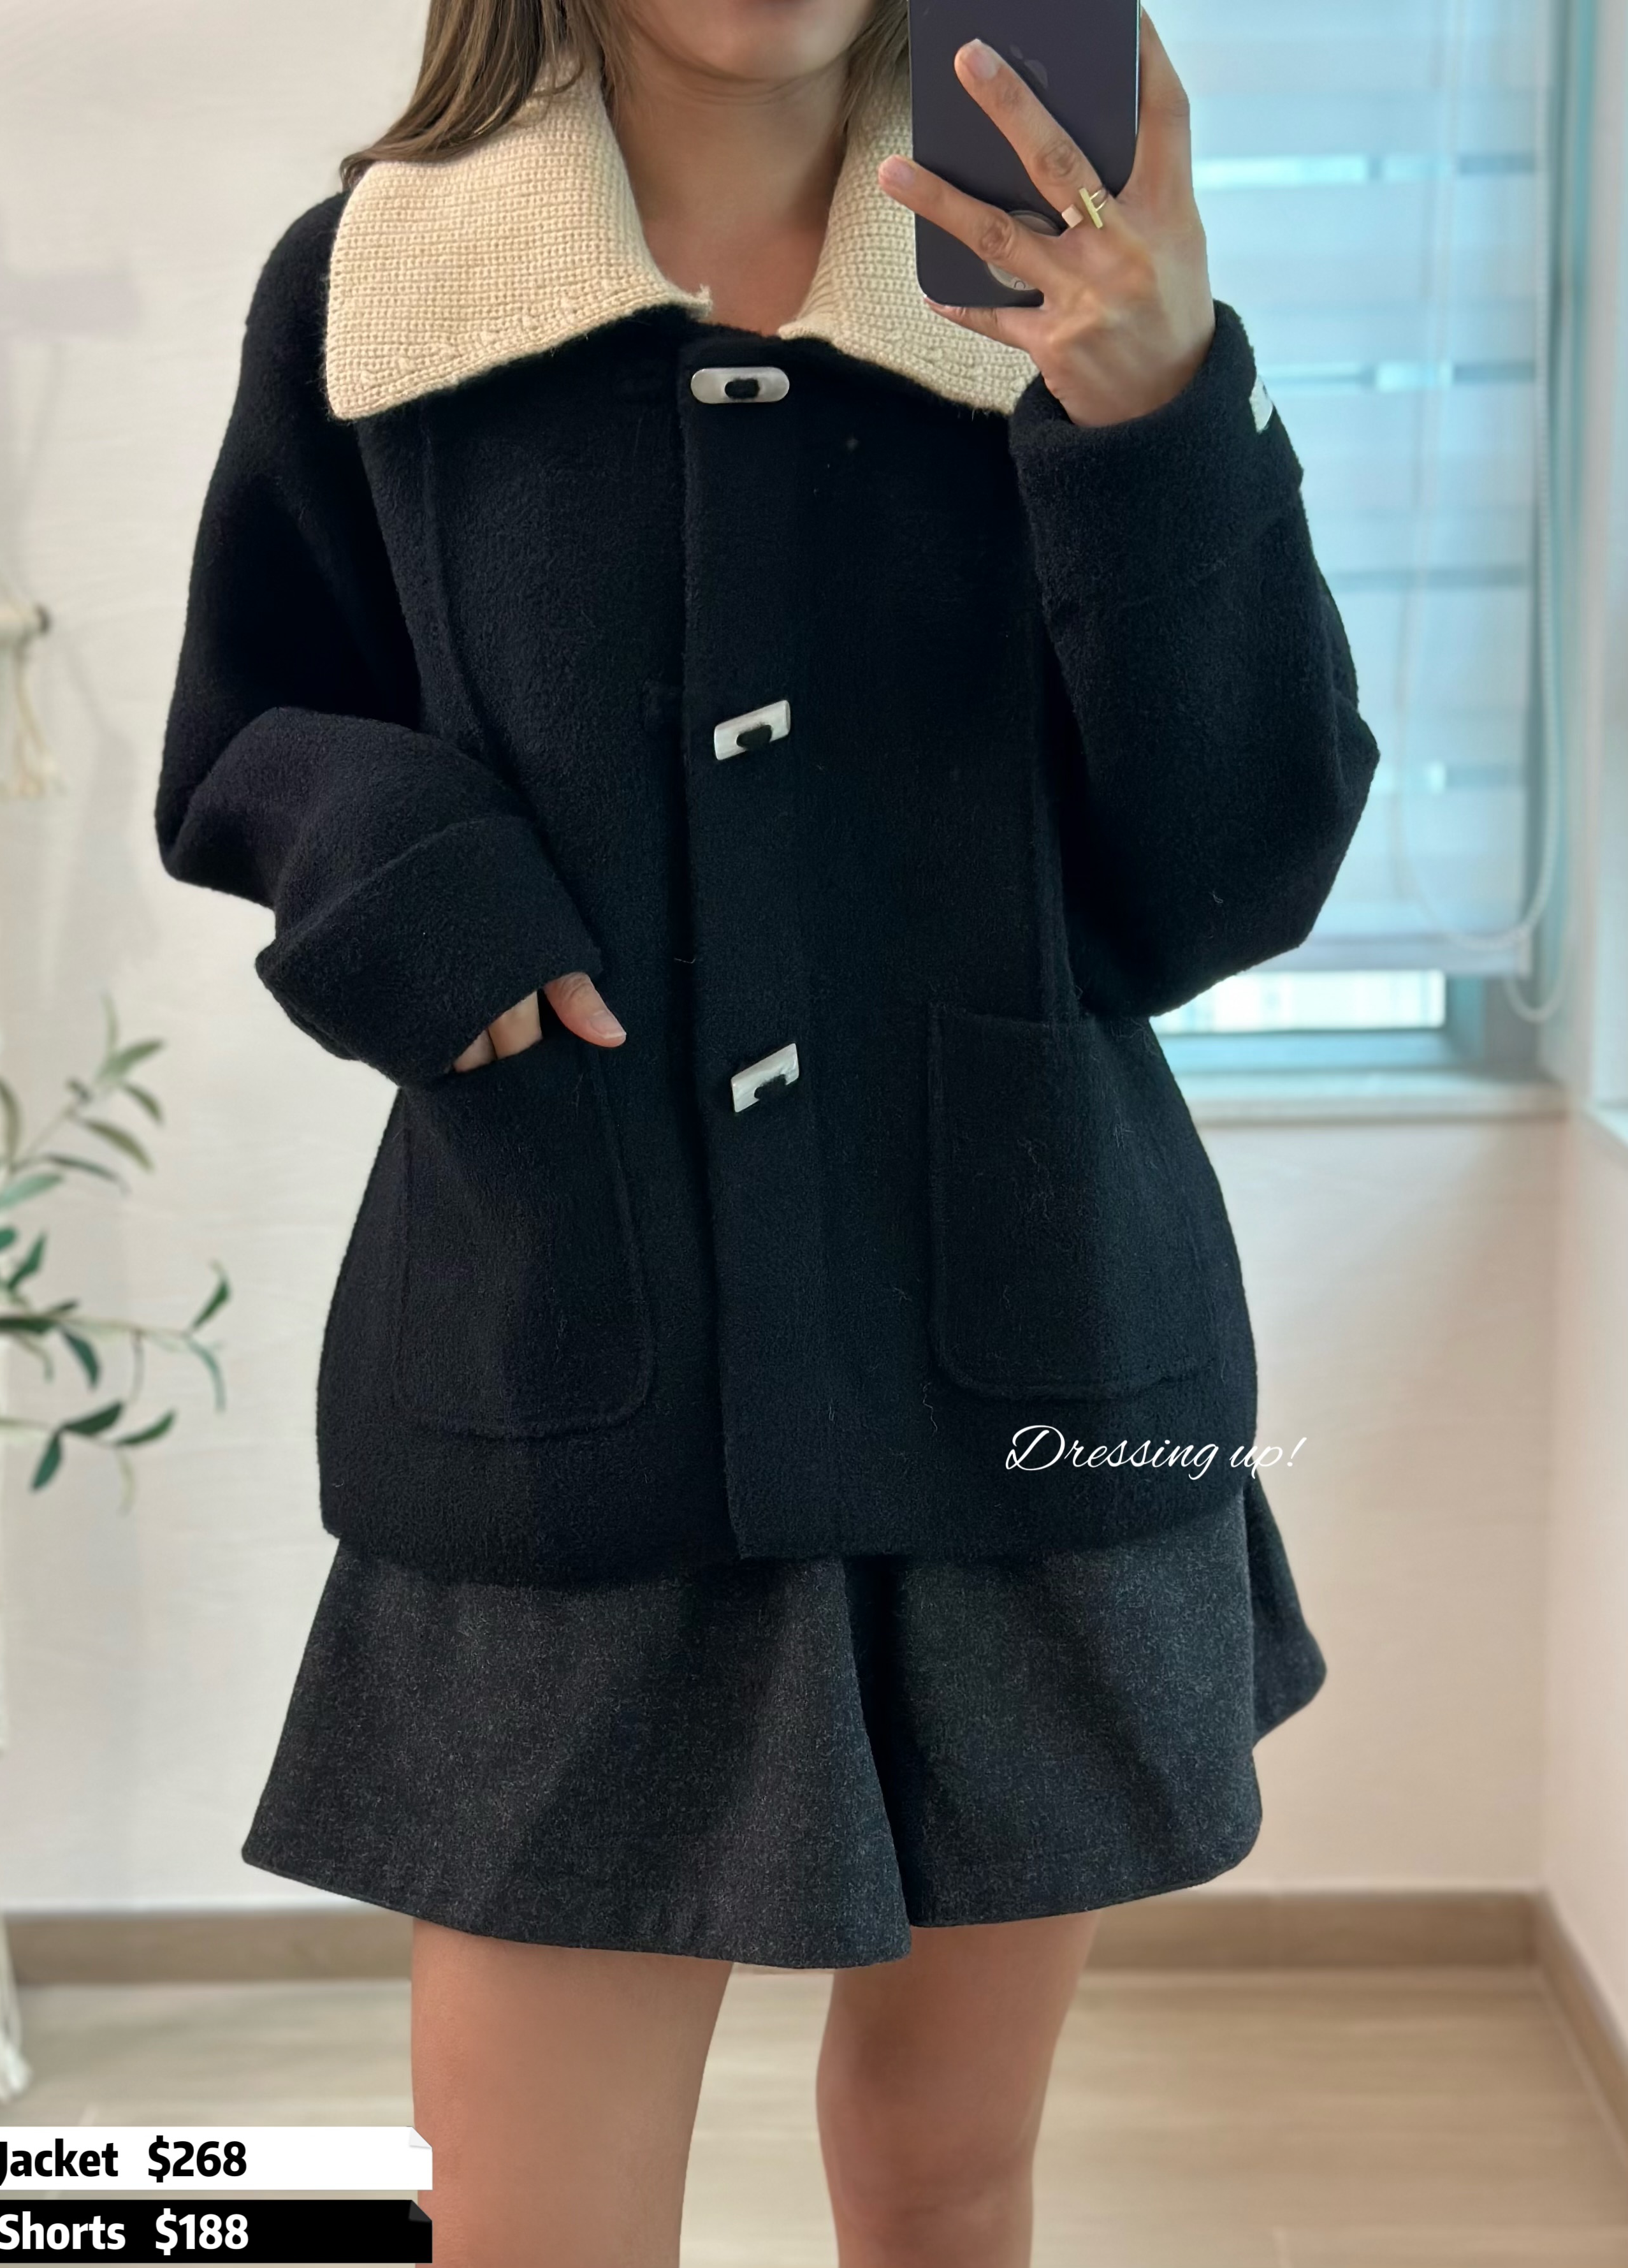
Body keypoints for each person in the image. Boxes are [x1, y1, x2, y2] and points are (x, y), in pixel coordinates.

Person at [154, 1, 1378, 2261]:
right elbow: (251, 727)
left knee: (945, 2186)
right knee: (523, 2224)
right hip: (569, 1361)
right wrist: (408, 861)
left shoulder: (1083, 294)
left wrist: (1154, 414)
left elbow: (1226, 877)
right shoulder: (386, 281)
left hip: (1018, 1359)